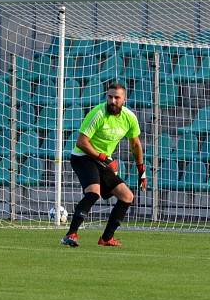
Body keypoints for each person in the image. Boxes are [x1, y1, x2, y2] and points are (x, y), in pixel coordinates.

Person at [61, 83, 146, 247]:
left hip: (102, 161)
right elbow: (81, 142)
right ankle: (70, 235)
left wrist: (141, 171)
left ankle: (106, 238)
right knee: (93, 193)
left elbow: (135, 145)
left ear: (124, 100)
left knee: (127, 196)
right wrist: (104, 158)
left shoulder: (129, 118)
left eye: (117, 98)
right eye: (110, 97)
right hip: (83, 157)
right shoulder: (97, 114)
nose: (112, 101)